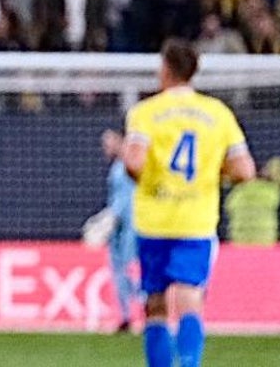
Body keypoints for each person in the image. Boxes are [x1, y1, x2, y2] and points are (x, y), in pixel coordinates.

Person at [123, 39, 256, 367]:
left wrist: (148, 174)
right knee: (189, 298)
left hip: (154, 220)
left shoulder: (145, 112)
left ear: (165, 69)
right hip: (196, 222)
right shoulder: (218, 113)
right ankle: (189, 364)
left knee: (155, 303)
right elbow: (245, 171)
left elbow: (135, 163)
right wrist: (211, 172)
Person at [102, 129, 137, 332]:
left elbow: (128, 198)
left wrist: (115, 214)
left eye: (109, 142)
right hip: (117, 225)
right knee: (118, 270)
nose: (105, 148)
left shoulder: (132, 164)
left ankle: (145, 308)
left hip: (131, 224)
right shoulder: (116, 167)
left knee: (131, 268)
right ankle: (125, 316)